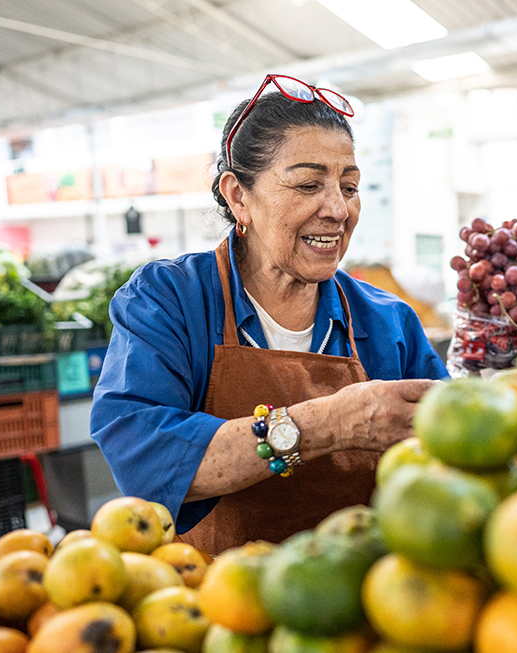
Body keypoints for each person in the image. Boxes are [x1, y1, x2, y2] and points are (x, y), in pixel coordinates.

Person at [90, 75, 448, 554]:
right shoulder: (169, 300)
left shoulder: (389, 323)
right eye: (307, 184)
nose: (338, 210)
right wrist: (329, 423)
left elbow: (447, 451)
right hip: (215, 603)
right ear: (239, 196)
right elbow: (144, 459)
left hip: (360, 598)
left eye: (350, 186)